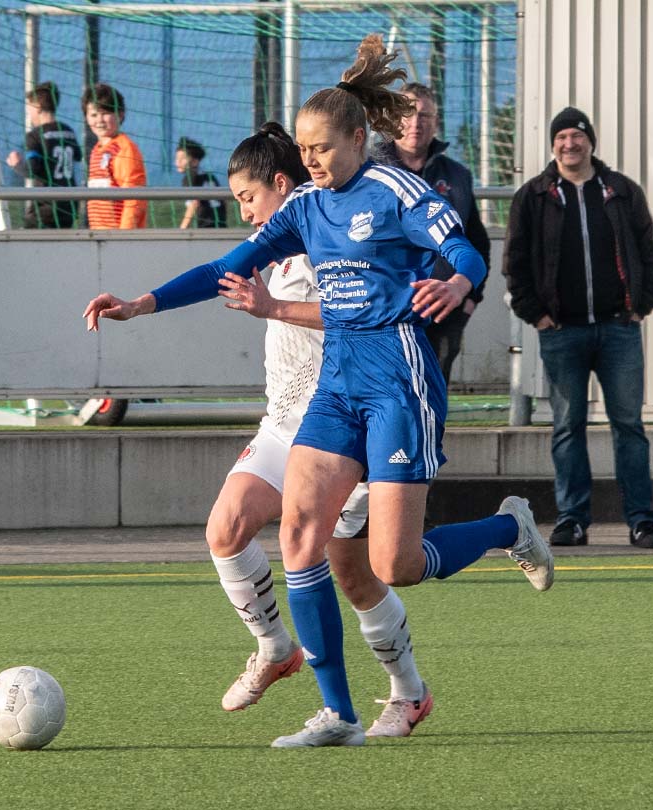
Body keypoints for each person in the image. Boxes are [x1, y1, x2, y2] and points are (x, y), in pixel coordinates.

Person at [83, 35, 553, 748]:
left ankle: (508, 528)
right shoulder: (303, 206)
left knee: (394, 565)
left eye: (321, 147)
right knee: (299, 537)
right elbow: (226, 267)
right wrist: (141, 304)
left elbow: (458, 243)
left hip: (397, 383)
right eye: (303, 149)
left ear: (357, 139)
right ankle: (337, 713)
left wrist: (459, 280)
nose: (310, 160)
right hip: (336, 388)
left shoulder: (394, 190)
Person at [193, 122, 431, 737]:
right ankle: (276, 648)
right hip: (284, 426)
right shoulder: (272, 246)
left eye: (248, 197)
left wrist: (273, 307)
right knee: (225, 528)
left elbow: (359, 308)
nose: (245, 213)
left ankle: (407, 691)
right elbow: (215, 271)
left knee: (358, 573)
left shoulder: (328, 234)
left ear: (282, 185)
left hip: (340, 429)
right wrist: (142, 304)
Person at [502, 106, 653, 550]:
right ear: (553, 145)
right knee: (567, 427)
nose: (569, 144)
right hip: (562, 333)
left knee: (629, 427)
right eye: (561, 137)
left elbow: (651, 253)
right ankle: (572, 520)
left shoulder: (621, 191)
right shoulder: (534, 197)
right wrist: (537, 314)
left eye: (577, 136)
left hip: (619, 331)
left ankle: (642, 522)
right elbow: (515, 263)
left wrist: (642, 305)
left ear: (591, 142)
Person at [373, 82, 491, 384]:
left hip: (442, 310)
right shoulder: (370, 172)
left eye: (424, 115)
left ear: (436, 122)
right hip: (383, 309)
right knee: (389, 393)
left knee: (434, 392)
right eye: (407, 114)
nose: (416, 123)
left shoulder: (457, 176)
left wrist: (469, 297)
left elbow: (477, 242)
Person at [6, 81, 80, 229]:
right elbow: (77, 156)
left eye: (29, 109)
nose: (28, 114)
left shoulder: (35, 136)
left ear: (38, 107)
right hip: (69, 207)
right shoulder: (69, 131)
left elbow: (32, 170)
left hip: (46, 208)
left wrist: (17, 165)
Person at [82, 83, 146, 229]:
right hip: (99, 232)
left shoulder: (125, 149)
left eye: (105, 113)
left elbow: (134, 198)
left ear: (120, 115)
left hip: (118, 234)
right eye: (93, 115)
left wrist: (124, 234)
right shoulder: (97, 150)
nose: (99, 120)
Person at [174, 137, 224, 229]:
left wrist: (182, 229)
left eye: (183, 158)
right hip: (221, 225)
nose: (178, 162)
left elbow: (194, 203)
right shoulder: (210, 176)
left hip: (206, 227)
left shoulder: (190, 178)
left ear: (195, 162)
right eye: (177, 158)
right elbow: (224, 201)